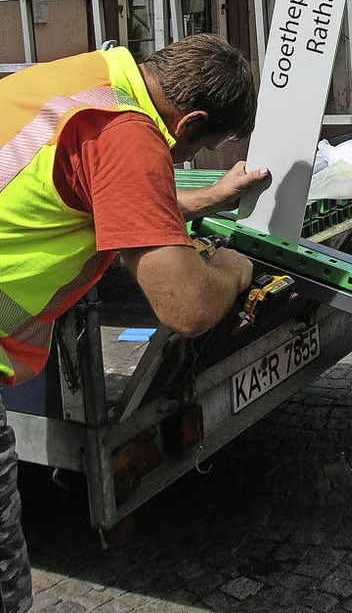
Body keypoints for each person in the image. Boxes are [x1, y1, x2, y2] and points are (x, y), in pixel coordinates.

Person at [0, 33, 268, 613]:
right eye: (200, 148)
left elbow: (108, 196)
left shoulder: (86, 79)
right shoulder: (125, 134)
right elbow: (187, 307)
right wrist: (235, 272)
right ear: (189, 118)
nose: (190, 162)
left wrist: (212, 198)